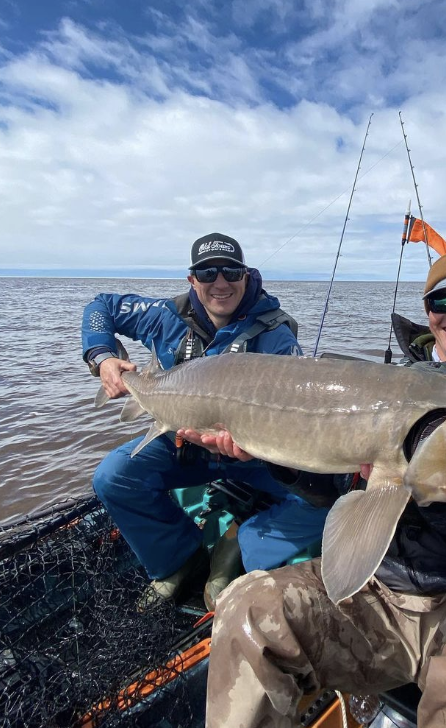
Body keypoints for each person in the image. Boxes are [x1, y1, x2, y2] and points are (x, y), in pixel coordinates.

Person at [203, 249, 446, 728]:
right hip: (380, 591)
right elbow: (334, 489)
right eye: (440, 300)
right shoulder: (387, 386)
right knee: (247, 609)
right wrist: (272, 453)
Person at [82, 232, 328, 610]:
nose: (220, 283)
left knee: (328, 499)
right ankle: (178, 560)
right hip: (181, 445)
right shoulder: (164, 316)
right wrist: (103, 357)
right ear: (191, 279)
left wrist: (253, 448)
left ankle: (240, 541)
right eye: (207, 272)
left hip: (253, 454)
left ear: (246, 275)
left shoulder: (275, 335)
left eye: (230, 271)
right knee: (113, 477)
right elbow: (101, 307)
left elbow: (296, 416)